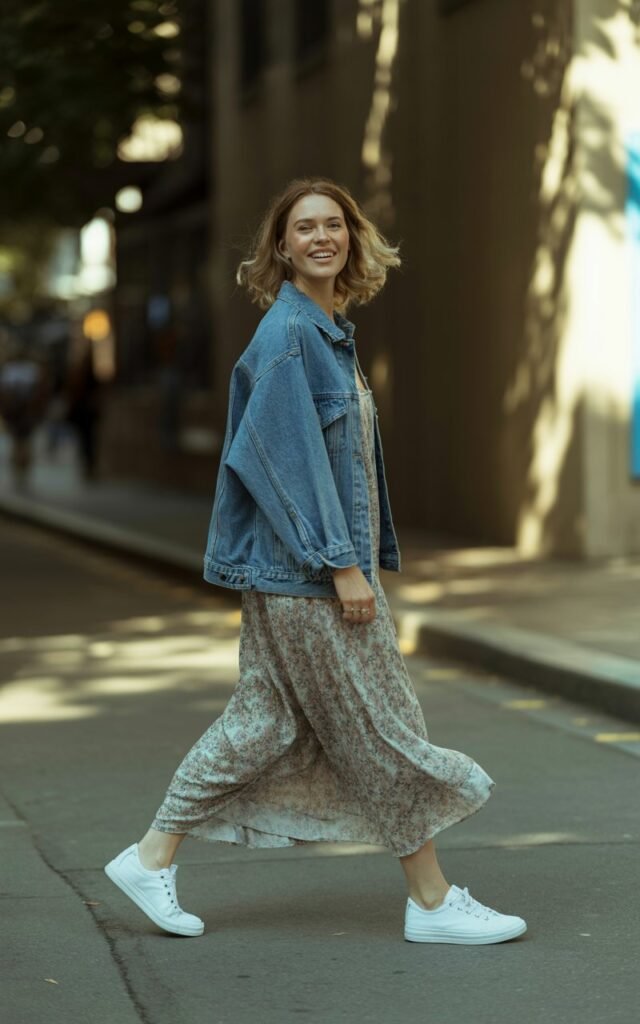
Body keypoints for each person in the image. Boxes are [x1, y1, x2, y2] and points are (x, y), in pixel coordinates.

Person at [105, 178, 527, 945]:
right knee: (381, 728)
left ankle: (150, 856)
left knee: (263, 722)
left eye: (334, 224)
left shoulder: (329, 331)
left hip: (298, 575)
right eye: (305, 228)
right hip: (310, 579)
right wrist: (341, 567)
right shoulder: (292, 336)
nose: (322, 237)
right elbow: (279, 462)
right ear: (282, 247)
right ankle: (431, 905)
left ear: (352, 237)